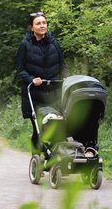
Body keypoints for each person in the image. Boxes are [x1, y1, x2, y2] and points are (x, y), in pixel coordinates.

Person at [16, 11, 68, 155]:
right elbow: (21, 70)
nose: (42, 26)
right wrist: (32, 79)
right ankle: (37, 156)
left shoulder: (54, 43)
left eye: (44, 23)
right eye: (38, 23)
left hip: (53, 93)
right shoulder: (25, 46)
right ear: (31, 28)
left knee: (57, 123)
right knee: (39, 126)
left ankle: (55, 154)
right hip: (34, 94)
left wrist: (65, 78)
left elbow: (62, 64)